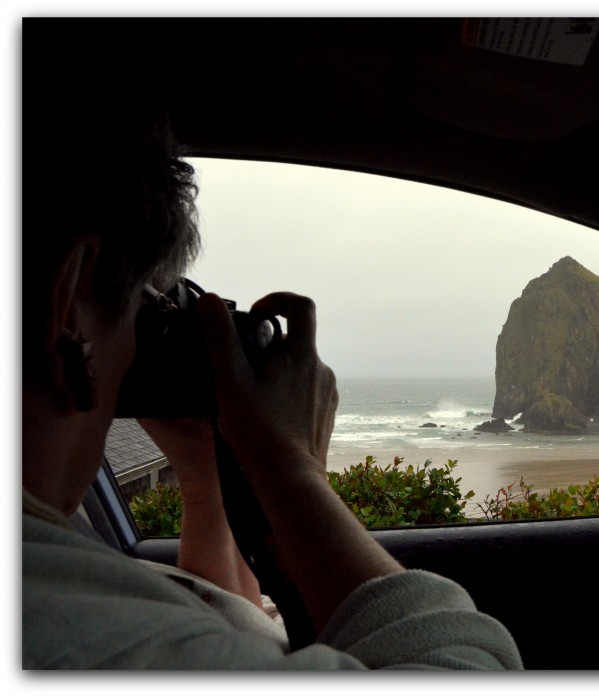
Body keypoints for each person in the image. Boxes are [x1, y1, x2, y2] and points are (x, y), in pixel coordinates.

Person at [21, 74, 522, 669]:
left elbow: (231, 626)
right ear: (71, 304)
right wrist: (291, 466)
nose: (138, 348)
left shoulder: (61, 566)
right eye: (146, 310)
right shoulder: (78, 631)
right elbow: (467, 666)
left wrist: (203, 476)